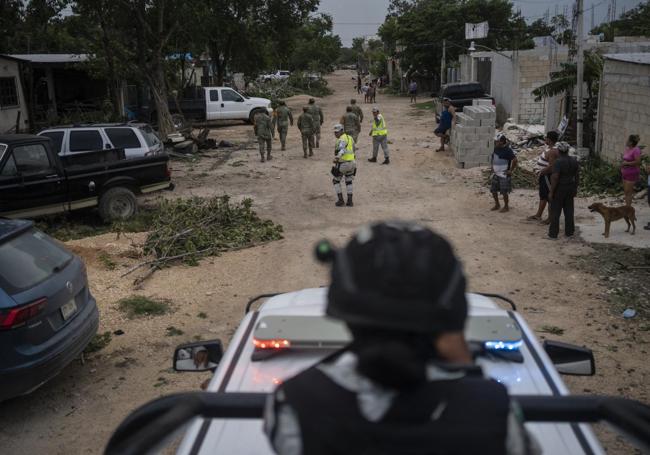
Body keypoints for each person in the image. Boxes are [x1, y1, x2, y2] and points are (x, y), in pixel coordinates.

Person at [264, 221, 540, 455]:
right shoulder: (492, 411)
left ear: (345, 312)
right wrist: (465, 367)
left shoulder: (295, 403)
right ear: (452, 313)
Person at [548, 142, 579, 239]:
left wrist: (551, 191)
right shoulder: (574, 161)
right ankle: (569, 233)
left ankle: (553, 234)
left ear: (559, 150)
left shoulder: (558, 162)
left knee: (555, 212)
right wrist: (575, 188)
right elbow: (577, 177)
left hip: (560, 188)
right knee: (569, 211)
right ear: (568, 150)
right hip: (570, 187)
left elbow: (555, 177)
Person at [528, 131, 560, 224]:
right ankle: (538, 215)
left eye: (546, 138)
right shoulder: (549, 148)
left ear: (549, 140)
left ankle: (550, 218)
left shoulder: (553, 151)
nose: (545, 139)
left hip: (547, 177)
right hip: (544, 176)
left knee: (549, 197)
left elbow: (552, 166)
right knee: (543, 196)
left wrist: (542, 171)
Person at [490, 133, 518, 213]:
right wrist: (492, 167)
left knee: (504, 191)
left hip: (504, 175)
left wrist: (510, 170)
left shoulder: (508, 150)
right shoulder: (496, 148)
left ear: (502, 142)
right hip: (496, 173)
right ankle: (497, 204)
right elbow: (493, 157)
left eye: (497, 141)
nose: (495, 142)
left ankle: (506, 206)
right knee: (493, 190)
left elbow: (515, 160)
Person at [331, 124, 356, 207]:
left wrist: (337, 158)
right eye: (335, 132)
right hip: (352, 163)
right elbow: (354, 148)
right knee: (348, 181)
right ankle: (350, 201)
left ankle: (341, 200)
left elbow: (342, 149)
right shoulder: (350, 137)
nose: (335, 134)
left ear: (342, 130)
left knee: (336, 180)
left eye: (337, 132)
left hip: (343, 163)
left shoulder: (342, 139)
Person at [621, 134, 642, 207]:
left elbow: (638, 161)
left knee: (628, 192)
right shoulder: (628, 149)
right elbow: (625, 159)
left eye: (628, 140)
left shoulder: (636, 150)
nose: (626, 141)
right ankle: (627, 207)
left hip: (632, 173)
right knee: (626, 192)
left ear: (631, 142)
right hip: (625, 173)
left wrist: (627, 163)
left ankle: (628, 209)